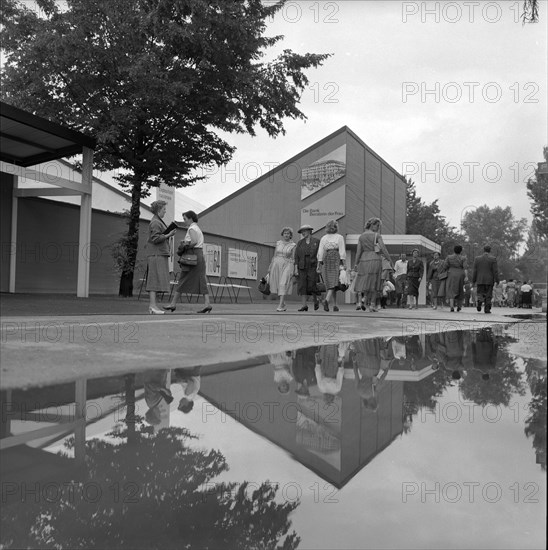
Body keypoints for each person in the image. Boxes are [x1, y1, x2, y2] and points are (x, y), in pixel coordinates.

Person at [164, 211, 211, 314]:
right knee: (201, 279)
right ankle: (207, 304)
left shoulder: (191, 228)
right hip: (199, 255)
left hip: (192, 256)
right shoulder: (197, 228)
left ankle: (173, 303)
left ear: (190, 218)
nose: (184, 221)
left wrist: (185, 246)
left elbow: (193, 241)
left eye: (185, 219)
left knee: (183, 278)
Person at [353, 217, 393, 313]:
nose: (378, 228)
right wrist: (389, 259)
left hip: (363, 259)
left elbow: (358, 252)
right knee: (375, 282)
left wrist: (355, 263)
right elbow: (383, 248)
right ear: (372, 225)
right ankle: (372, 305)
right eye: (377, 225)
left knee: (365, 280)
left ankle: (363, 299)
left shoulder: (361, 237)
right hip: (375, 258)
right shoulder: (377, 235)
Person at [146, 200, 177, 314]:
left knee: (156, 279)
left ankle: (153, 306)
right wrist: (168, 234)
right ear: (159, 210)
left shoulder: (158, 221)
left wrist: (166, 233)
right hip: (156, 254)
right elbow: (155, 239)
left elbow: (158, 236)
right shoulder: (155, 222)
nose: (165, 211)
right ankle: (152, 306)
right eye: (164, 209)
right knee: (154, 279)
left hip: (159, 254)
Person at [317, 219, 346, 312]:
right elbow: (342, 250)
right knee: (333, 282)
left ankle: (335, 305)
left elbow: (320, 252)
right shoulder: (339, 237)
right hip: (336, 258)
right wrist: (344, 263)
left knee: (331, 282)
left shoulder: (324, 238)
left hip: (327, 258)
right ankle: (326, 301)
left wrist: (319, 264)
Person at [268, 227, 297, 312]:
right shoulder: (278, 243)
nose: (286, 235)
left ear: (290, 235)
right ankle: (283, 303)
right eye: (285, 233)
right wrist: (270, 266)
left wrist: (294, 269)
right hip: (276, 264)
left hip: (288, 264)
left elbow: (293, 258)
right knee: (277, 284)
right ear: (282, 234)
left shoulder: (293, 245)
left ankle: (280, 305)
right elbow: (274, 255)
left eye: (288, 233)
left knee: (283, 283)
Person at [294, 224, 321, 311]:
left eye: (304, 231)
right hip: (302, 266)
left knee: (312, 285)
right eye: (302, 232)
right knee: (302, 285)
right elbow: (296, 256)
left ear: (309, 231)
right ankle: (304, 305)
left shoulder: (317, 241)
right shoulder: (300, 243)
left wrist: (319, 266)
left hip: (313, 265)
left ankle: (316, 300)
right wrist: (296, 268)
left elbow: (320, 255)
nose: (303, 233)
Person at [472, 244, 499, 314]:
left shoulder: (477, 259)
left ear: (483, 250)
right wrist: (497, 280)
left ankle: (480, 301)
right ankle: (487, 308)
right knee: (488, 294)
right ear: (490, 251)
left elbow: (475, 270)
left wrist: (473, 280)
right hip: (489, 280)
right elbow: (495, 271)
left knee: (480, 293)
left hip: (480, 279)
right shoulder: (493, 259)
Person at [442, 244, 469, 312]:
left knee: (451, 289)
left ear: (454, 250)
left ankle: (451, 306)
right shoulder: (463, 258)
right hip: (460, 274)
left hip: (451, 274)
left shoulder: (449, 257)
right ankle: (459, 306)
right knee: (460, 290)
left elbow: (445, 266)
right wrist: (466, 276)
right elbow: (465, 268)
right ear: (461, 251)